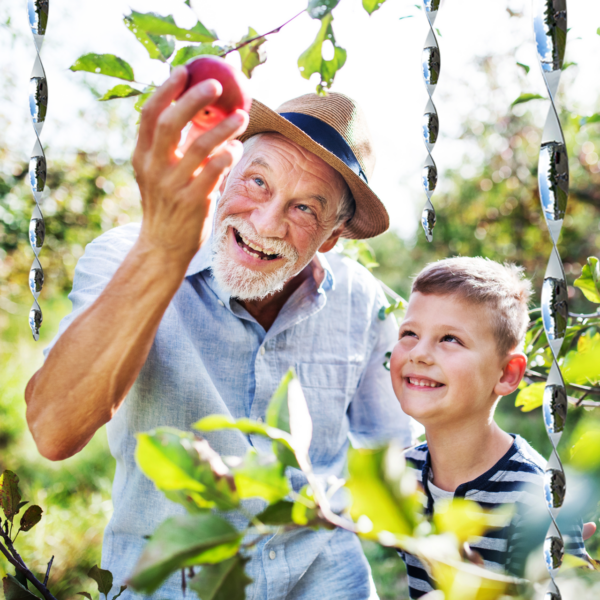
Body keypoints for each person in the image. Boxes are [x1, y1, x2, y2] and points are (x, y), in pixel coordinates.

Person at [24, 68, 415, 599]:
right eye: (258, 181)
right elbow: (54, 430)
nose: (267, 222)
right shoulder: (126, 257)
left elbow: (397, 457)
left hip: (326, 581)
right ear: (227, 172)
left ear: (332, 237)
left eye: (305, 208)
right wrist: (162, 255)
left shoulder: (361, 300)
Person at [389, 257, 589, 599]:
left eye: (450, 338)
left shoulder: (533, 494)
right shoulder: (403, 474)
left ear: (507, 374)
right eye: (409, 333)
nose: (419, 353)